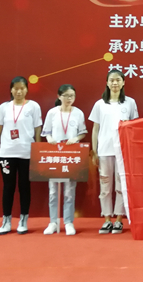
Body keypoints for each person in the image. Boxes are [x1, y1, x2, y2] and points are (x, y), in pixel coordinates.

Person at [89, 69, 139, 235]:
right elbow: (95, 129)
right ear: (107, 83)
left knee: (120, 186)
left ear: (123, 82)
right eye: (112, 80)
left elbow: (134, 127)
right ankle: (106, 219)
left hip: (122, 151)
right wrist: (94, 150)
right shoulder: (100, 104)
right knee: (105, 187)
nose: (115, 83)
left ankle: (118, 219)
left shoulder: (130, 103)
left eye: (118, 80)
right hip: (104, 150)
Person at [0, 76, 42, 235]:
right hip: (7, 153)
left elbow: (38, 129)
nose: (19, 91)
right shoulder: (4, 107)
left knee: (24, 186)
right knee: (8, 187)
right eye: (16, 88)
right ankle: (6, 220)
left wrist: (38, 150)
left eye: (22, 88)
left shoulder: (33, 106)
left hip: (27, 153)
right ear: (11, 90)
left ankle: (23, 220)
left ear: (27, 89)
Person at [41, 84, 87, 236]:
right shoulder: (52, 112)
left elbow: (82, 132)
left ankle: (68, 222)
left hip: (71, 155)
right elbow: (46, 132)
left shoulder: (78, 113)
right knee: (53, 191)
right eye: (66, 95)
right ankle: (53, 222)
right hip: (55, 154)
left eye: (72, 96)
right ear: (59, 96)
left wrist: (76, 138)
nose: (69, 98)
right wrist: (49, 138)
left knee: (69, 191)